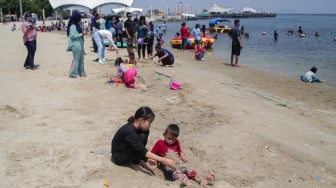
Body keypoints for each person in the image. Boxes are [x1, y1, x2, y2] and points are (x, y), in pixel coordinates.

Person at [111, 106, 177, 173]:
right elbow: (142, 150)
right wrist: (164, 160)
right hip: (119, 157)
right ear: (141, 120)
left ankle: (138, 159)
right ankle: (134, 162)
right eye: (149, 123)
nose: (150, 125)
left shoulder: (140, 128)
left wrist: (146, 158)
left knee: (144, 133)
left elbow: (140, 147)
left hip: (127, 149)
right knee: (140, 141)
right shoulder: (129, 130)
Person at [151, 124, 216, 186]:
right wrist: (153, 161)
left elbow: (179, 150)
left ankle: (201, 179)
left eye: (173, 140)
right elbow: (152, 154)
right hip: (167, 165)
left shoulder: (176, 142)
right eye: (169, 138)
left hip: (178, 163)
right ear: (164, 134)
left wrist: (182, 154)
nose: (171, 141)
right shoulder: (159, 143)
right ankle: (183, 179)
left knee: (187, 170)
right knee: (175, 173)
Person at [66, 11, 87, 78]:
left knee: (81, 60)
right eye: (79, 18)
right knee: (76, 59)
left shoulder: (77, 26)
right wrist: (81, 34)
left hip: (79, 44)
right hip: (75, 45)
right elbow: (72, 36)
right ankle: (73, 73)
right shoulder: (73, 26)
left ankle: (81, 73)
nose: (80, 20)